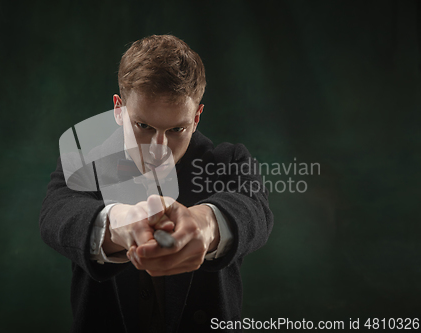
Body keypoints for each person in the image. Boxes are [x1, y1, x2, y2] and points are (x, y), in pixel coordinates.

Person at [39, 34, 274, 333]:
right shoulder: (83, 162)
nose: (158, 148)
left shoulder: (229, 160)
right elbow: (55, 215)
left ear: (197, 117)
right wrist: (120, 224)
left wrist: (204, 224)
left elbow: (255, 210)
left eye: (177, 129)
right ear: (118, 109)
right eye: (144, 126)